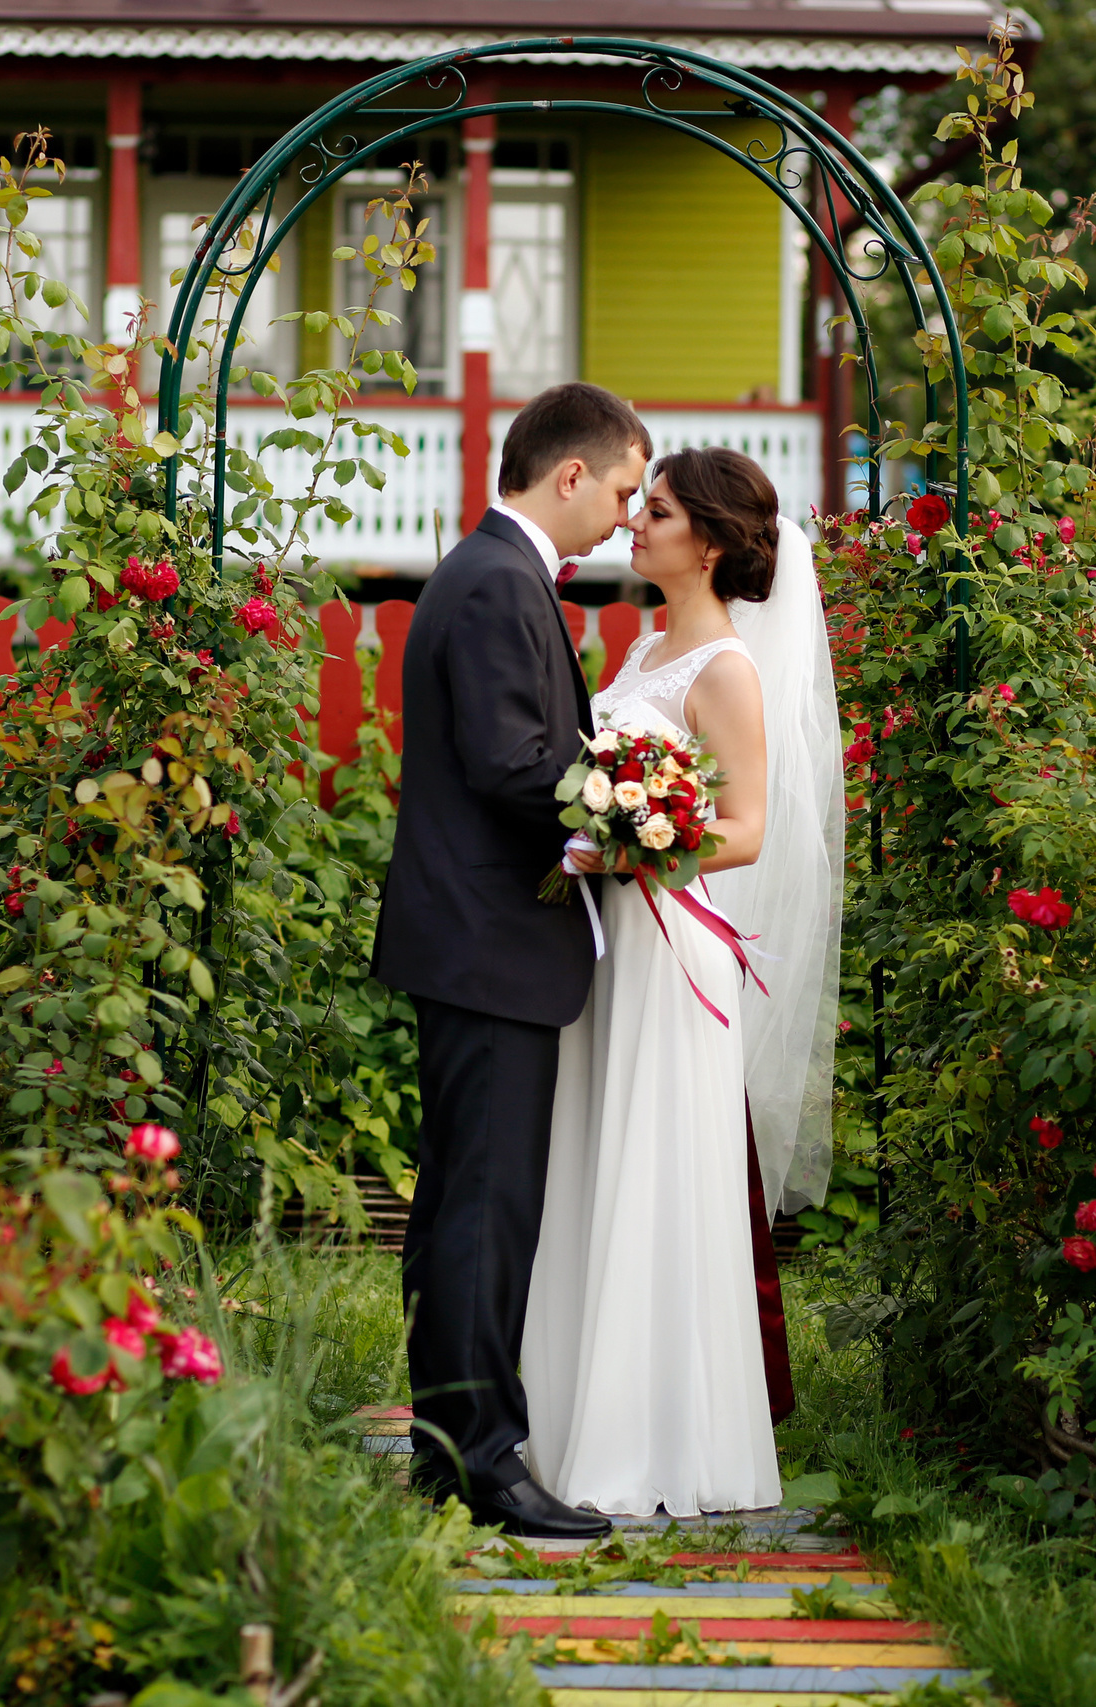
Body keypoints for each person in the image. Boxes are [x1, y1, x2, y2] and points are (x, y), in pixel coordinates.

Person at [521, 446, 845, 1517]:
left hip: (674, 950)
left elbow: (746, 831)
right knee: (598, 1162)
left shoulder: (730, 673)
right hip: (615, 949)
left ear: (705, 543)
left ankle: (665, 1443)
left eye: (653, 513)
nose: (632, 525)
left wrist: (625, 847)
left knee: (659, 1176)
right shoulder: (645, 645)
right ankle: (576, 1424)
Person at [370, 382, 649, 1540]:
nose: (631, 517)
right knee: (485, 1211)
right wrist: (633, 813)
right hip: (487, 943)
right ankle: (486, 1461)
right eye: (626, 491)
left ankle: (446, 1452)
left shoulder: (488, 574)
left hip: (478, 941)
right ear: (569, 473)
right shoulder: (494, 584)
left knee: (459, 1208)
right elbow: (507, 763)